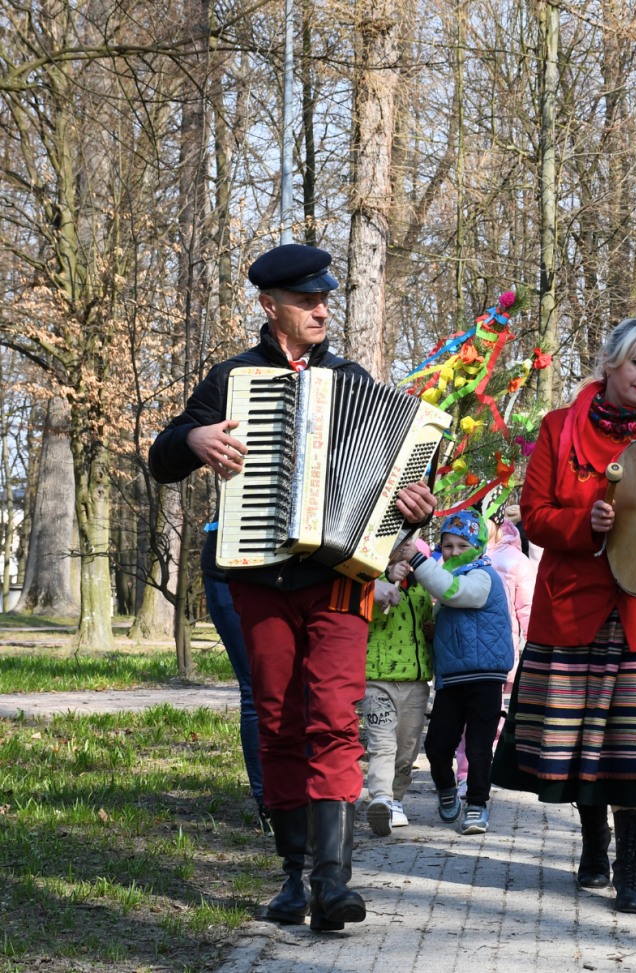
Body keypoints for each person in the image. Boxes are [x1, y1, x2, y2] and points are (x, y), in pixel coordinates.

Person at [148, 244, 437, 933]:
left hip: (339, 578)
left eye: (324, 298)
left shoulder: (352, 378)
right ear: (268, 304)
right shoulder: (232, 378)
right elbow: (162, 458)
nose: (321, 309)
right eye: (307, 299)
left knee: (333, 718)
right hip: (259, 576)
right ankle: (291, 876)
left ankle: (333, 883)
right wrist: (194, 442)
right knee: (278, 721)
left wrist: (416, 504)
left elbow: (397, 483)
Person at [490, 318, 636, 916]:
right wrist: (585, 522)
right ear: (609, 362)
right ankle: (593, 844)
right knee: (585, 743)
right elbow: (533, 515)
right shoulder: (560, 429)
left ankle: (631, 871)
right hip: (576, 612)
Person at [390, 510, 514, 836]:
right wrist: (435, 631)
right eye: (447, 546)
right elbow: (453, 611)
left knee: (477, 746)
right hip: (452, 679)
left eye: (463, 545)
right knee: (437, 746)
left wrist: (417, 558)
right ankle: (446, 787)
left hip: (485, 677)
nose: (455, 552)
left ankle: (477, 804)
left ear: (479, 547)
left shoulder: (483, 576)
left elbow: (455, 592)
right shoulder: (452, 576)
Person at [362, 541, 435, 837]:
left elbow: (426, 626)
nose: (406, 562)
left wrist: (432, 627)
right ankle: (381, 798)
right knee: (382, 744)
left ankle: (397, 799)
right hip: (376, 681)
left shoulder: (422, 591)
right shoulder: (371, 585)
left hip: (416, 684)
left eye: (411, 557)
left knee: (407, 748)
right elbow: (371, 616)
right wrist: (388, 579)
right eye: (399, 556)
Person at [200, 532, 270, 834]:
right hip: (230, 562)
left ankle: (310, 802)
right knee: (256, 687)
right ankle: (269, 805)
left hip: (299, 571)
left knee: (305, 689)